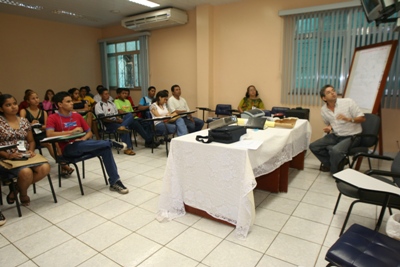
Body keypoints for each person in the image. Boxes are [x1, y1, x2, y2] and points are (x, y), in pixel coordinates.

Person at [46, 91, 129, 194]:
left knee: (105, 149)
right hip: (68, 149)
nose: (72, 103)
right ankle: (109, 142)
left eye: (71, 101)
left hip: (84, 145)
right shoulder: (53, 118)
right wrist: (70, 132)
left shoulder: (77, 116)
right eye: (68, 101)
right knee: (81, 145)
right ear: (59, 104)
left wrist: (83, 139)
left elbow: (89, 133)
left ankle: (115, 181)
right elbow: (49, 134)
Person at [0, 94, 51, 206]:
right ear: (1, 108)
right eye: (8, 105)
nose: (13, 107)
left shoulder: (24, 121)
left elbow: (31, 141)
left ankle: (15, 190)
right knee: (26, 172)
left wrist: (31, 151)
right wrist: (8, 156)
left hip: (25, 155)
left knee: (45, 167)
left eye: (14, 103)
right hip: (6, 157)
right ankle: (23, 194)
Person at [309, 85, 366, 174]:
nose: (333, 93)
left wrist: (349, 119)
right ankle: (335, 163)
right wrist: (329, 127)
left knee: (336, 151)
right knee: (313, 146)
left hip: (352, 136)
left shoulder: (348, 102)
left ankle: (335, 172)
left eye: (333, 90)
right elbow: (331, 122)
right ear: (324, 98)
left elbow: (362, 118)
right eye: (329, 92)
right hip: (336, 135)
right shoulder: (324, 110)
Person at [94, 88, 136, 155]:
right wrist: (116, 121)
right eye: (106, 94)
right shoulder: (98, 105)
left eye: (108, 94)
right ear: (101, 95)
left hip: (116, 121)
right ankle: (127, 148)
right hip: (107, 124)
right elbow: (103, 119)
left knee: (130, 115)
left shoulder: (112, 103)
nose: (108, 95)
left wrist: (118, 119)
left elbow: (116, 115)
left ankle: (123, 126)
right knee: (125, 128)